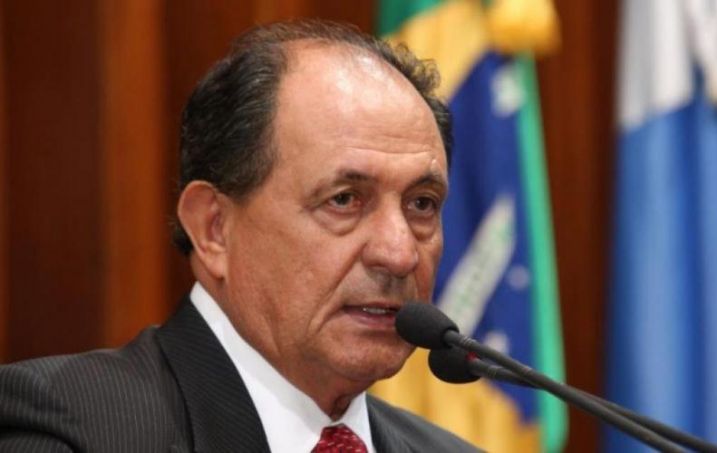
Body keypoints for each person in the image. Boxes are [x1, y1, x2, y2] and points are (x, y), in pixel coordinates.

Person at [0, 20, 480, 452]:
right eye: (344, 199)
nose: (399, 253)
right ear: (213, 228)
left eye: (422, 204)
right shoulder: (71, 430)